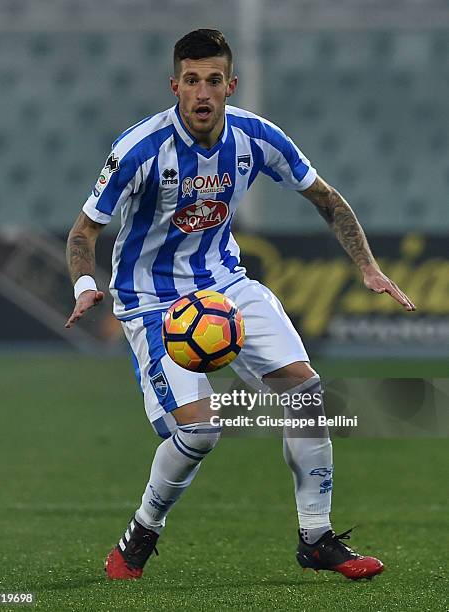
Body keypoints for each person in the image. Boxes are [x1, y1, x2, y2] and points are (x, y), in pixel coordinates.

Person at [65, 29, 415, 581]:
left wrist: (368, 267)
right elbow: (84, 231)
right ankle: (141, 532)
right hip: (152, 302)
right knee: (201, 431)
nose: (201, 93)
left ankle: (317, 538)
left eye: (212, 81)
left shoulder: (256, 136)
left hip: (224, 286)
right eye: (190, 81)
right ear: (174, 86)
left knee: (307, 394)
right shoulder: (140, 149)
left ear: (230, 84)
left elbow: (325, 197)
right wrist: (87, 285)